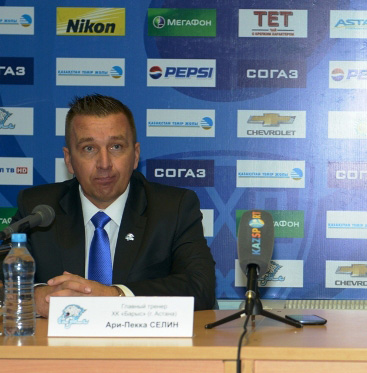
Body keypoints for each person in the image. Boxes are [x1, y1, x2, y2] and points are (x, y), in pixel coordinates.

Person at [9, 94, 216, 317]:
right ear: (69, 160)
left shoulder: (173, 208)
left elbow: (200, 287)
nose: (104, 164)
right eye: (89, 148)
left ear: (135, 155)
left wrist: (113, 296)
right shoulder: (38, 209)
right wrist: (35, 297)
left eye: (116, 147)